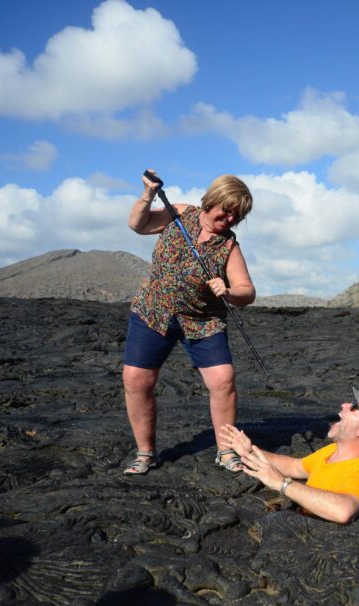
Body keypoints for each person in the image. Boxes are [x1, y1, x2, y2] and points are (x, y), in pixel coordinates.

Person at [122, 169, 256, 475]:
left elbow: (247, 291)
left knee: (223, 379)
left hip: (203, 321)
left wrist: (230, 292)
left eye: (237, 216)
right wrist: (148, 194)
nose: (230, 219)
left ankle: (226, 451)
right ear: (212, 202)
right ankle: (145, 453)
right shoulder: (179, 214)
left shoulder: (229, 247)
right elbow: (138, 224)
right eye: (226, 211)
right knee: (136, 380)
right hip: (153, 312)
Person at [217, 387, 359, 524]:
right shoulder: (333, 451)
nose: (345, 405)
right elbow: (295, 466)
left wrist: (281, 483)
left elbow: (343, 511)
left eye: (355, 407)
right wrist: (250, 451)